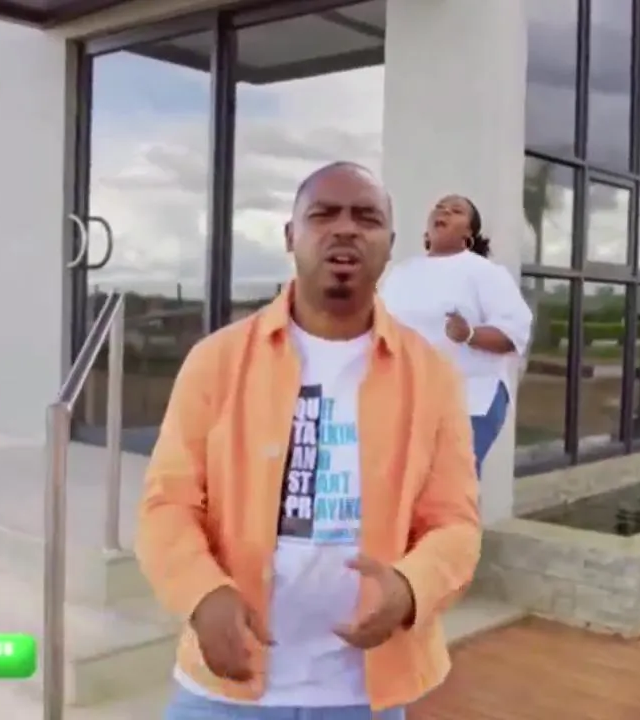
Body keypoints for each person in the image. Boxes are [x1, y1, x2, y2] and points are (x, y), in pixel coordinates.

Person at [137, 162, 480, 719]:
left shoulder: (432, 376)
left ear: (390, 244)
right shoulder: (216, 361)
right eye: (323, 215)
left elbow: (455, 524)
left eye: (366, 218)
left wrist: (410, 588)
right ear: (290, 235)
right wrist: (201, 593)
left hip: (362, 698)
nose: (345, 229)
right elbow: (166, 505)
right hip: (223, 694)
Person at [379, 194, 532, 477]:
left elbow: (514, 333)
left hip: (470, 398)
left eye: (456, 210)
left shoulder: (485, 273)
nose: (444, 212)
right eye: (439, 207)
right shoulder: (401, 273)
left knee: (451, 483)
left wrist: (469, 334)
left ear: (468, 234)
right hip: (410, 399)